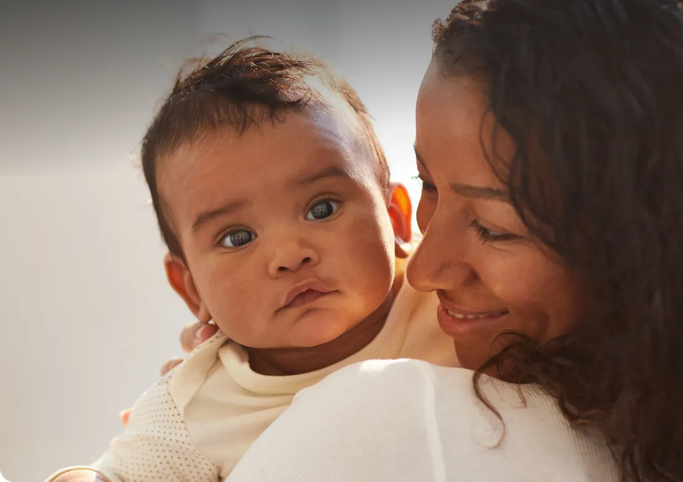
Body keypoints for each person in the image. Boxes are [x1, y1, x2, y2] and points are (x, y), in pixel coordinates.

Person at [179, 0, 683, 481]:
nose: (423, 270)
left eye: (494, 227)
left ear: (654, 252)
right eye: (427, 183)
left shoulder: (391, 412)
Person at [44, 41, 458, 482]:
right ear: (192, 290)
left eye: (322, 209)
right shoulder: (195, 404)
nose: (288, 255)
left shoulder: (450, 296)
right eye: (237, 237)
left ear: (394, 217)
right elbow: (114, 476)